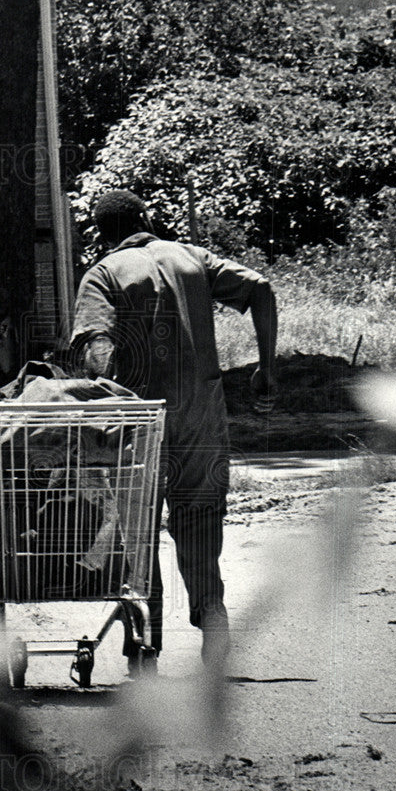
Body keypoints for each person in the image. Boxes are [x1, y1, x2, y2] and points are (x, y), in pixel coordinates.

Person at [70, 189, 278, 669]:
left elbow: (96, 347)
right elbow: (261, 289)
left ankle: (145, 643)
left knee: (137, 530)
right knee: (200, 520)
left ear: (101, 234)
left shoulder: (103, 274)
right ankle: (212, 615)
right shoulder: (191, 257)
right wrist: (267, 369)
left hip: (139, 419)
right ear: (145, 219)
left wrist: (106, 393)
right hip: (202, 415)